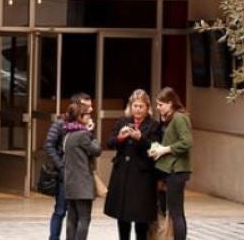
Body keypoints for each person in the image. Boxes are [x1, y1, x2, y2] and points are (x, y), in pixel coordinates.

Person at [104, 89, 162, 240]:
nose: (137, 109)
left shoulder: (154, 125)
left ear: (147, 107)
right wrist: (120, 137)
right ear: (131, 106)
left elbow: (155, 148)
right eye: (135, 106)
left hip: (142, 178)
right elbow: (109, 143)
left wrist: (141, 138)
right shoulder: (122, 121)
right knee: (123, 219)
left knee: (141, 221)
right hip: (122, 175)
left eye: (141, 106)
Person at [44, 92, 93, 240]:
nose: (91, 110)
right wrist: (61, 166)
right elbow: (49, 145)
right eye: (87, 106)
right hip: (64, 176)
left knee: (76, 214)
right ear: (76, 106)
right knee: (60, 210)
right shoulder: (61, 123)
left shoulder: (86, 124)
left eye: (91, 106)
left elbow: (91, 148)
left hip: (80, 177)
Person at [149, 87, 193, 240]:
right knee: (169, 209)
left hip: (177, 170)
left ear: (170, 103)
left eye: (161, 104)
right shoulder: (169, 118)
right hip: (168, 169)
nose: (158, 107)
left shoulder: (180, 118)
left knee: (176, 212)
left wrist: (165, 149)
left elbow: (186, 142)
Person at [62, 102, 102, 240]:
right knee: (84, 219)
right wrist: (92, 134)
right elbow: (96, 151)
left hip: (70, 183)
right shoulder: (83, 134)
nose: (90, 118)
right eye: (88, 115)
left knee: (72, 218)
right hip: (83, 184)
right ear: (80, 116)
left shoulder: (67, 135)